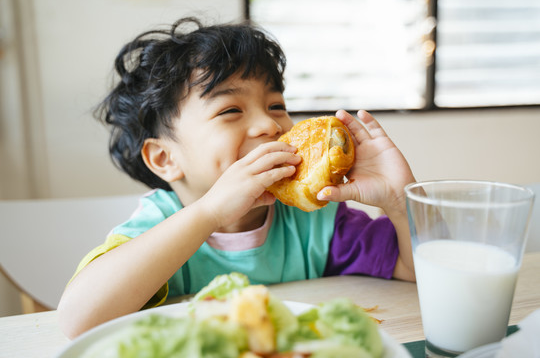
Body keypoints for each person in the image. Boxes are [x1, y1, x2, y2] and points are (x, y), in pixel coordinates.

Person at [57, 17, 416, 339]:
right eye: (231, 110)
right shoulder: (158, 228)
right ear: (165, 158)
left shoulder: (315, 221)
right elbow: (79, 320)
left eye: (276, 105)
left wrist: (399, 202)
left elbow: (413, 271)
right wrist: (210, 212)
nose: (271, 125)